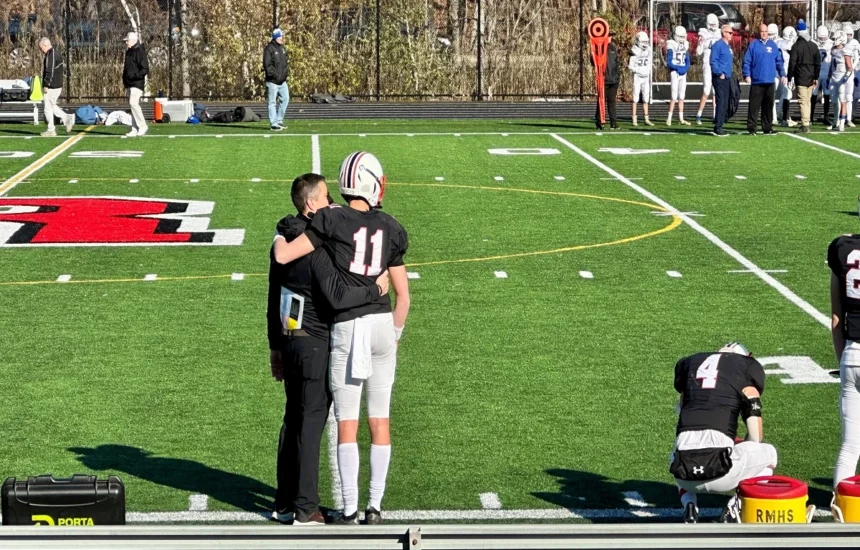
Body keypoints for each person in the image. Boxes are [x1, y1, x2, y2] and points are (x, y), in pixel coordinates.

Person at [274, 152, 410, 525]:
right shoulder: (393, 227)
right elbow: (404, 297)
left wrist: (278, 239)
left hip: (349, 326)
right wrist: (395, 333)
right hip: (383, 325)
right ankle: (375, 507)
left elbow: (287, 254)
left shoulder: (329, 219)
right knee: (380, 420)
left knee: (346, 422)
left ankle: (349, 509)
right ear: (372, 182)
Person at [671, 343, 778, 524]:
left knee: (676, 452)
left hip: (683, 472)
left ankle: (689, 504)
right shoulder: (743, 372)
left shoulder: (691, 373)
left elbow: (683, 412)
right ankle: (735, 505)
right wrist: (741, 444)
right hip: (722, 470)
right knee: (769, 453)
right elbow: (755, 437)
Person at [828, 223, 860, 493]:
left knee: (850, 446)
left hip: (852, 355)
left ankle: (839, 508)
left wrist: (842, 361)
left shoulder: (842, 249)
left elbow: (836, 319)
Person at [743, 23, 785, 135]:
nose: (764, 33)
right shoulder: (753, 45)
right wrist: (747, 75)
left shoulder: (773, 45)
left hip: (770, 81)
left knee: (768, 106)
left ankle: (767, 127)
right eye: (762, 31)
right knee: (754, 106)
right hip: (757, 81)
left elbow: (779, 61)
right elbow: (747, 61)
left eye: (766, 31)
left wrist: (783, 74)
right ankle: (752, 128)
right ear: (759, 32)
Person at [788, 20, 820, 133]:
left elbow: (792, 63)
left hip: (800, 76)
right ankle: (807, 121)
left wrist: (789, 77)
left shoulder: (796, 46)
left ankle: (805, 124)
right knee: (807, 101)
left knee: (803, 101)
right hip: (811, 77)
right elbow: (818, 63)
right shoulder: (813, 46)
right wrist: (816, 77)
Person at [38, 38, 74, 137]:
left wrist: (46, 84)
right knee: (51, 105)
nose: (41, 50)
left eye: (41, 48)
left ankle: (51, 129)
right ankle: (66, 118)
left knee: (47, 108)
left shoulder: (51, 54)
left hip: (53, 85)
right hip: (56, 84)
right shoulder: (54, 53)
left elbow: (50, 71)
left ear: (45, 45)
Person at [695, 14, 721, 125]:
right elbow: (698, 52)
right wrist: (700, 44)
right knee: (706, 90)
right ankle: (699, 115)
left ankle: (715, 115)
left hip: (717, 65)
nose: (714, 26)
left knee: (716, 91)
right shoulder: (703, 33)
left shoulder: (720, 33)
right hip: (707, 64)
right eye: (712, 24)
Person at [122, 32, 149, 137]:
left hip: (136, 83)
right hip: (130, 83)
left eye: (127, 41)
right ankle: (134, 129)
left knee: (133, 103)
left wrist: (135, 76)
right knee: (132, 105)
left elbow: (145, 68)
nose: (126, 43)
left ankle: (142, 126)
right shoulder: (129, 52)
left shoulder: (139, 51)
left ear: (133, 41)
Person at [264, 28, 290, 131]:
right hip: (273, 82)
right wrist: (274, 76)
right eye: (280, 36)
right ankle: (273, 123)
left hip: (282, 82)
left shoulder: (282, 48)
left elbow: (285, 64)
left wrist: (284, 75)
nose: (282, 38)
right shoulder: (269, 49)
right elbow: (267, 65)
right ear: (275, 37)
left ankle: (279, 120)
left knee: (286, 99)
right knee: (272, 102)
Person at [710, 24, 734, 136]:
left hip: (727, 77)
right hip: (720, 78)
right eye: (730, 32)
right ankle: (718, 127)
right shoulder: (718, 45)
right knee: (721, 101)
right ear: (724, 33)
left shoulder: (727, 46)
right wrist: (719, 73)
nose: (732, 34)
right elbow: (713, 61)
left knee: (725, 101)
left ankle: (720, 124)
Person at [666, 26, 691, 126]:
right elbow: (669, 61)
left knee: (681, 96)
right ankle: (669, 118)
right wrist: (677, 68)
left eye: (683, 36)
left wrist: (685, 68)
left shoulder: (685, 44)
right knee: (674, 95)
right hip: (675, 71)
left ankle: (681, 118)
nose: (682, 38)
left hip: (683, 71)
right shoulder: (671, 44)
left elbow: (687, 59)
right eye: (680, 36)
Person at [829, 31, 854, 131]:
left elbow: (850, 68)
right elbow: (831, 65)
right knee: (834, 101)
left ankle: (842, 124)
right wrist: (828, 77)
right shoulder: (833, 50)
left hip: (841, 78)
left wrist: (845, 77)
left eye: (836, 38)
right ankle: (835, 122)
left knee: (843, 101)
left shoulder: (846, 51)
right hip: (833, 78)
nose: (834, 41)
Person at [595, 30, 620, 130]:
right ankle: (599, 122)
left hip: (614, 80)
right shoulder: (599, 48)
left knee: (612, 101)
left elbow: (616, 63)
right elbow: (594, 61)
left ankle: (614, 122)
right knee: (601, 101)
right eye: (609, 36)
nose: (610, 38)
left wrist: (617, 77)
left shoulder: (613, 48)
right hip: (604, 79)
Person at [629, 31, 654, 127]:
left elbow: (650, 62)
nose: (645, 44)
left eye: (646, 42)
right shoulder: (635, 50)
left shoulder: (649, 49)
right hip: (638, 76)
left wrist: (647, 70)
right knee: (635, 97)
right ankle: (634, 117)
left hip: (646, 76)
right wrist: (637, 70)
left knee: (646, 97)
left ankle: (646, 118)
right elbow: (630, 66)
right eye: (643, 42)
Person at [777, 26, 798, 127]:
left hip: (779, 71)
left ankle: (780, 113)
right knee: (787, 95)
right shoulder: (789, 44)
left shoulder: (778, 42)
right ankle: (784, 117)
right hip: (787, 71)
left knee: (784, 94)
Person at [813, 25, 834, 127]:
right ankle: (810, 117)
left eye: (824, 37)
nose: (822, 40)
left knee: (827, 95)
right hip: (816, 73)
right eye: (820, 38)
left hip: (826, 73)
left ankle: (826, 116)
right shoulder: (813, 43)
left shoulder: (831, 44)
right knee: (813, 95)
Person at [843, 23, 859, 126]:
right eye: (846, 34)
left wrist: (852, 68)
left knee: (851, 96)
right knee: (839, 96)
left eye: (850, 34)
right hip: (840, 73)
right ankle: (840, 118)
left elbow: (857, 57)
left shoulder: (855, 43)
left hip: (852, 71)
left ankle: (849, 117)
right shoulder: (839, 44)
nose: (848, 37)